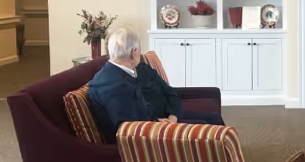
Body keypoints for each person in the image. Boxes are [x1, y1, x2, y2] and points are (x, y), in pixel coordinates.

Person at [87, 28, 224, 143]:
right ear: (134, 52)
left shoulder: (117, 73)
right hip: (149, 139)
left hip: (153, 126)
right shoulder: (114, 85)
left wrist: (167, 119)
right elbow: (129, 129)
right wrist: (159, 124)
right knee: (208, 130)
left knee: (214, 120)